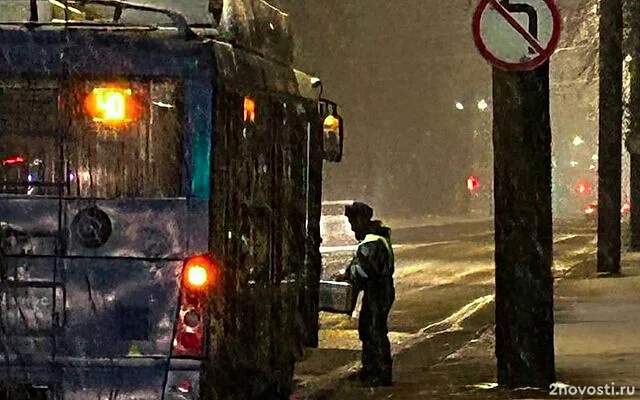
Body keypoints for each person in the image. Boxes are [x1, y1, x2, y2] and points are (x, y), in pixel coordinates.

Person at [334, 201, 395, 387]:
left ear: (361, 220)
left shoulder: (372, 242)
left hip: (378, 291)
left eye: (353, 222)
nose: (352, 228)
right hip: (380, 290)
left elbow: (365, 270)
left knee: (373, 330)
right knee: (369, 328)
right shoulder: (376, 237)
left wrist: (347, 276)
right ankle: (370, 369)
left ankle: (379, 372)